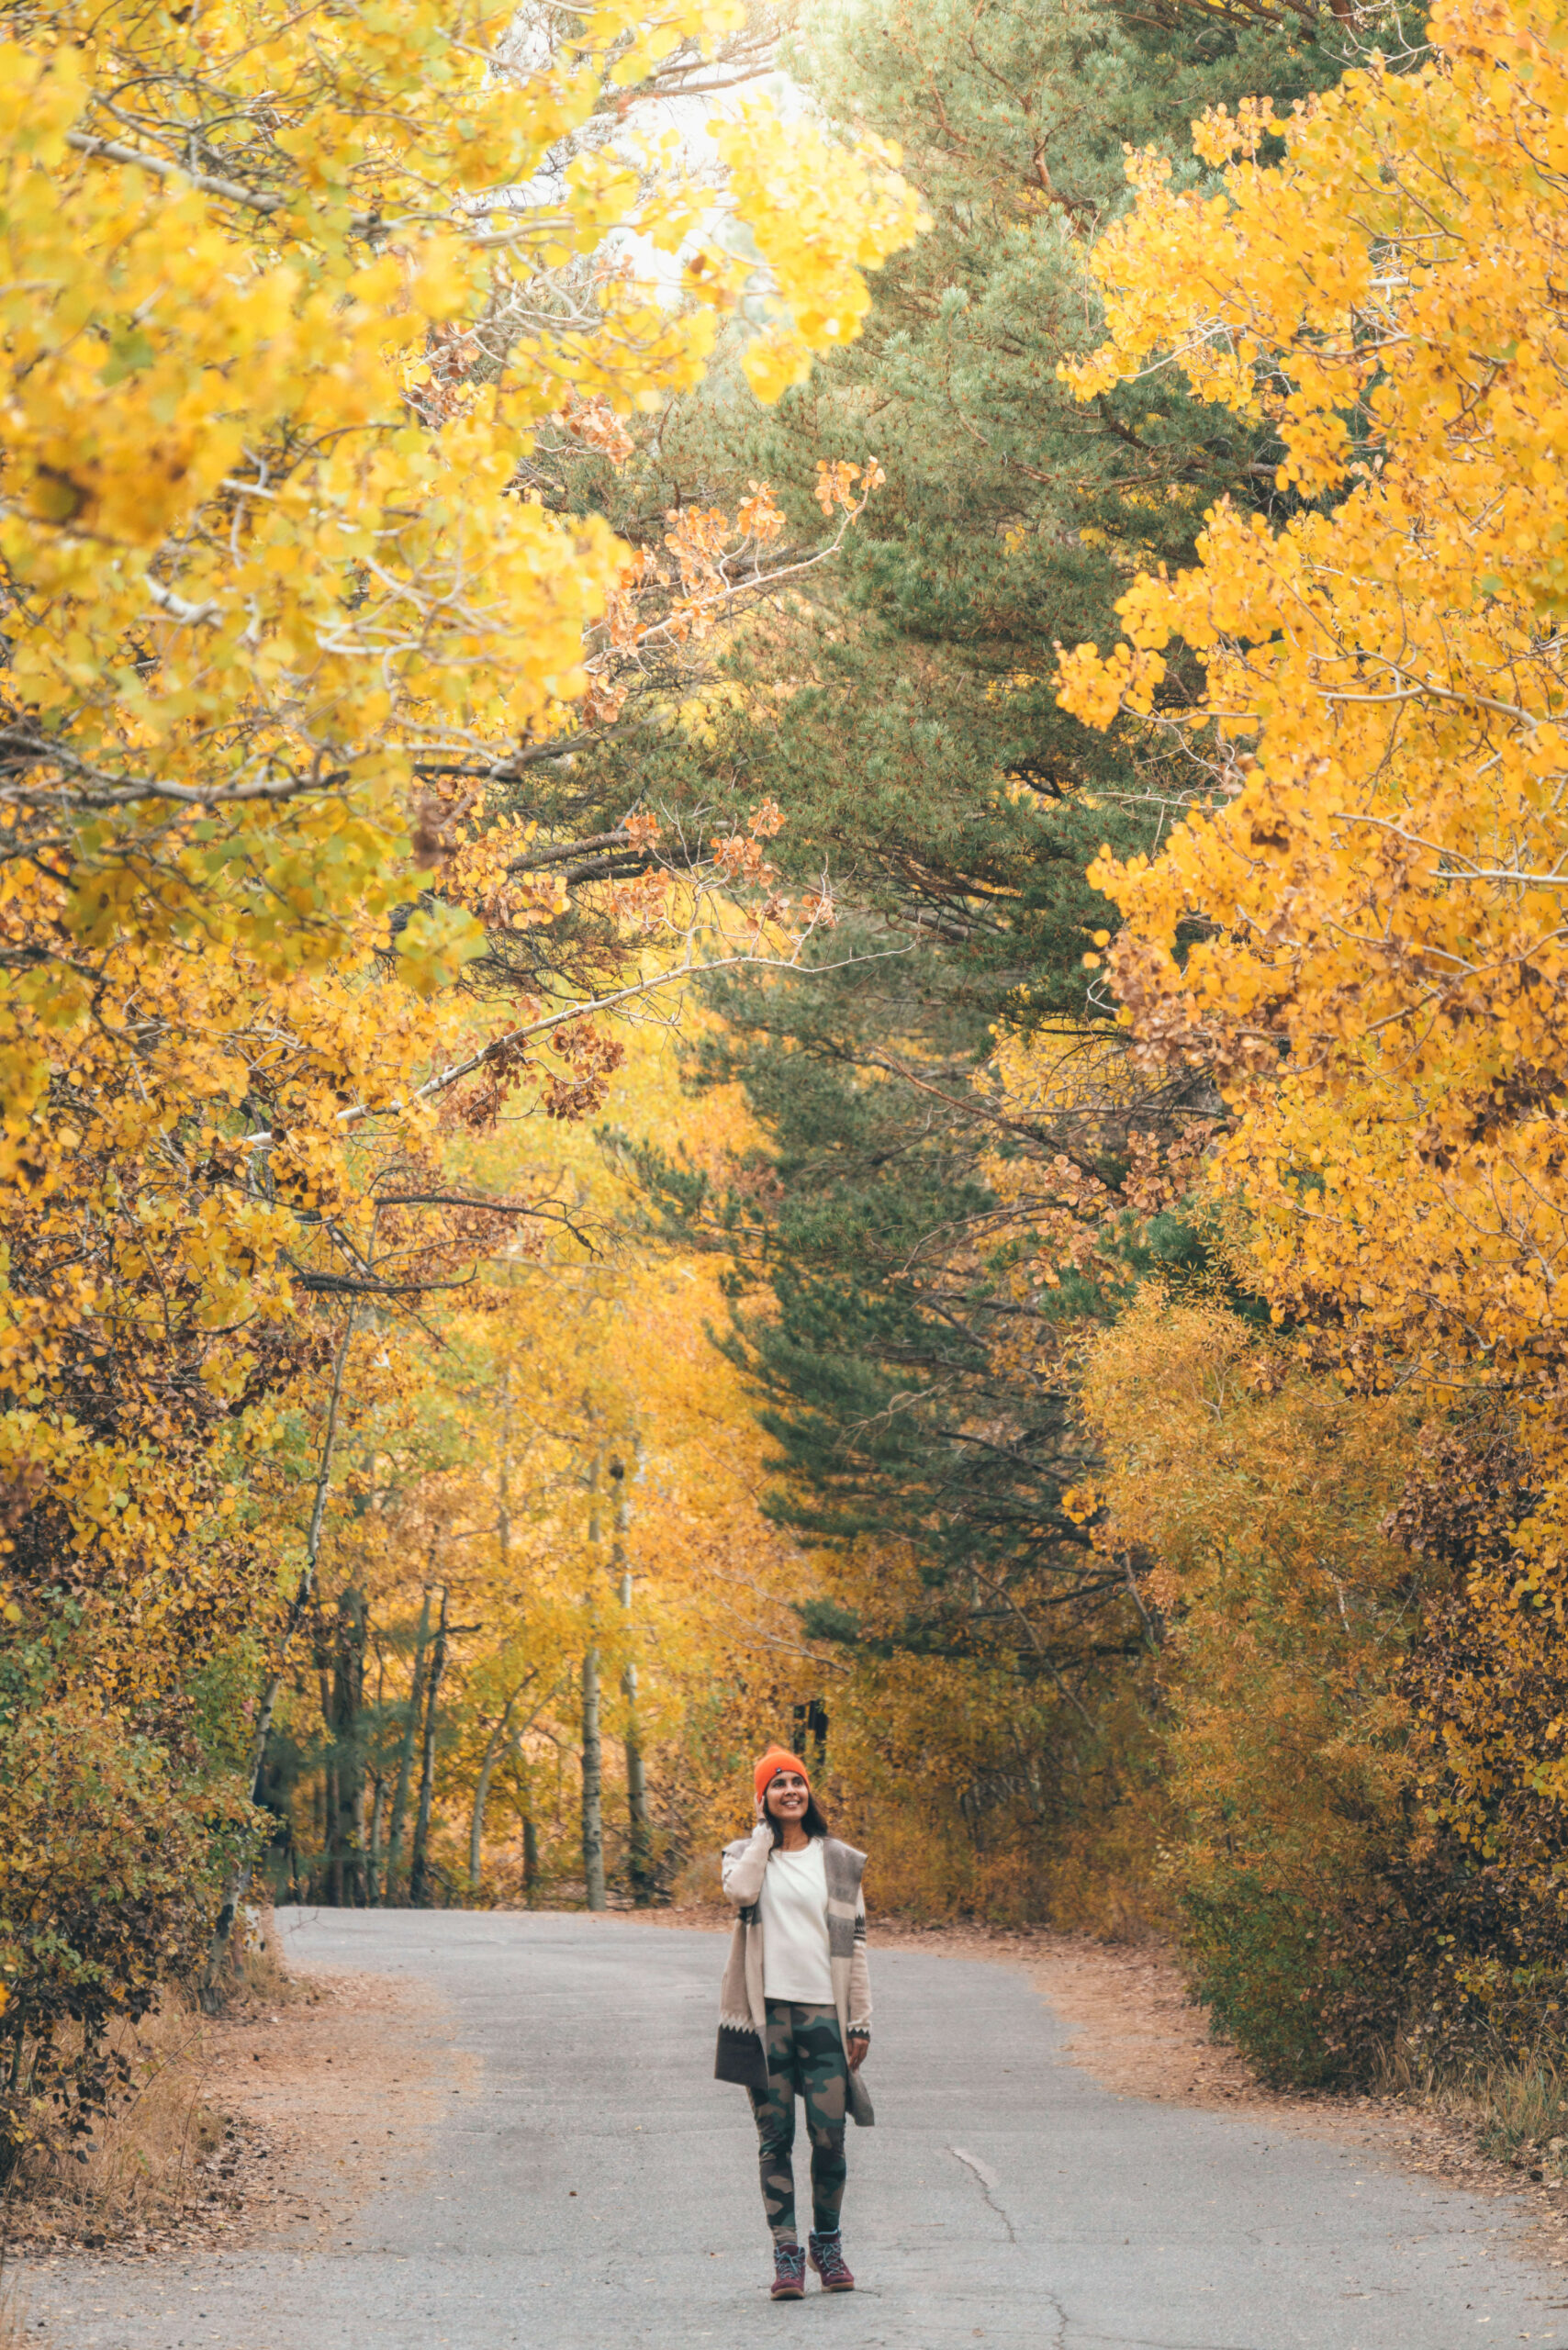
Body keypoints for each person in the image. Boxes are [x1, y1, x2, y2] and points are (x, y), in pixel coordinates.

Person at [715, 1742, 873, 2300]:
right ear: (764, 1798)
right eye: (777, 1785)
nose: (790, 1792)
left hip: (824, 2017)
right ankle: (787, 2256)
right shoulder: (743, 1854)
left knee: (829, 2139)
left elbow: (855, 1944)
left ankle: (826, 2244)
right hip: (765, 2021)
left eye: (797, 1783)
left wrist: (860, 2021)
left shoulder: (840, 1861)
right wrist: (762, 1838)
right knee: (774, 2139)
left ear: (809, 1793)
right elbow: (741, 1894)